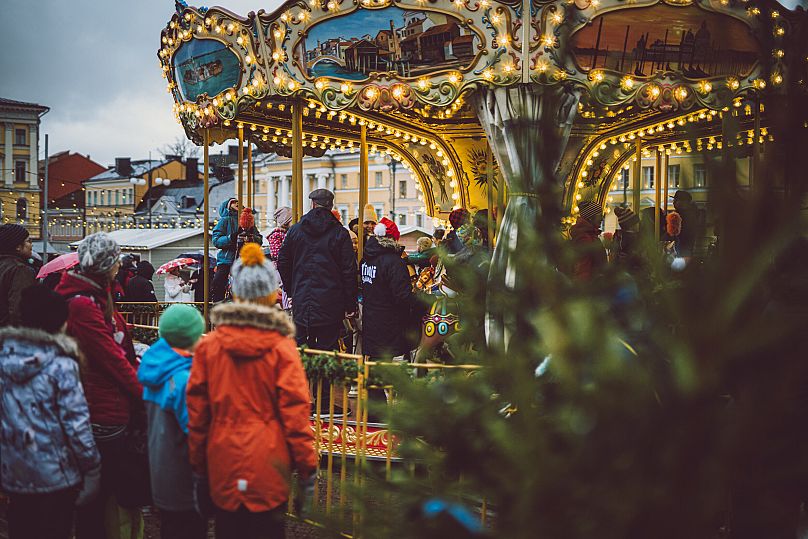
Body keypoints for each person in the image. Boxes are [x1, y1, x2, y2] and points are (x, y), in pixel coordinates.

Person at [187, 243, 318, 539]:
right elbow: (296, 417)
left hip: (223, 462)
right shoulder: (281, 348)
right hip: (269, 466)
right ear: (270, 295)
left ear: (236, 292)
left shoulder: (209, 347)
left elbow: (197, 415)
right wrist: (306, 469)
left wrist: (197, 466)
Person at [55, 232, 147, 539]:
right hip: (102, 408)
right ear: (107, 265)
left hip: (105, 402)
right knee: (98, 496)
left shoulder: (94, 296)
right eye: (116, 260)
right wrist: (143, 395)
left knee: (103, 495)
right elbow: (111, 358)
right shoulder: (84, 304)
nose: (119, 265)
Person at [0, 284, 101, 539]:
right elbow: (76, 424)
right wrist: (91, 466)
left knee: (21, 528)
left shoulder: (4, 359)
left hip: (14, 472)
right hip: (56, 474)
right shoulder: (61, 365)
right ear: (59, 323)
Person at [138, 304, 207, 539]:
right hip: (184, 478)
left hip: (161, 473)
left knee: (170, 528)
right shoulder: (183, 380)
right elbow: (197, 432)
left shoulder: (155, 368)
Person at [278, 189, 357, 350]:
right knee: (327, 349)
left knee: (301, 348)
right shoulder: (340, 233)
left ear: (313, 204)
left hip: (302, 298)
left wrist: (291, 291)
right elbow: (349, 270)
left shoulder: (295, 230)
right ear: (331, 206)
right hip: (331, 302)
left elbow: (283, 262)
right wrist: (350, 304)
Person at [362, 217, 419, 359]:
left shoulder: (366, 259)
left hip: (371, 318)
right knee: (384, 362)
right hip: (389, 321)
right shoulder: (394, 262)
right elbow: (402, 296)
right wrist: (422, 300)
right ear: (393, 239)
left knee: (375, 359)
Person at [0, 223, 35, 327]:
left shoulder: (4, 265)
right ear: (18, 247)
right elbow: (19, 310)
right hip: (8, 332)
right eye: (28, 241)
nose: (31, 245)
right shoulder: (20, 270)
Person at [570, 200, 607, 281]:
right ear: (591, 218)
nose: (601, 219)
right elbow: (583, 267)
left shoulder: (591, 235)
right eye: (599, 216)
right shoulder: (585, 238)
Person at [211, 198, 239, 302]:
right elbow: (216, 240)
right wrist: (230, 238)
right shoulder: (225, 220)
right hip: (227, 259)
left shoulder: (247, 220)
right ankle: (217, 302)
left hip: (242, 258)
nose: (237, 203)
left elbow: (258, 238)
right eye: (233, 202)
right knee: (218, 282)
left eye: (238, 202)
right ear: (228, 206)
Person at [268, 206, 293, 310]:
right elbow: (277, 254)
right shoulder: (276, 235)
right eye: (291, 220)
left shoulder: (289, 233)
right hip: (281, 267)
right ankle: (287, 308)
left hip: (288, 265)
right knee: (285, 287)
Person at [672, 190, 700, 258]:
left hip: (683, 246)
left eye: (676, 200)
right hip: (685, 246)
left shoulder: (685, 214)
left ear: (683, 202)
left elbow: (681, 233)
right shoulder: (690, 212)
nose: (673, 202)